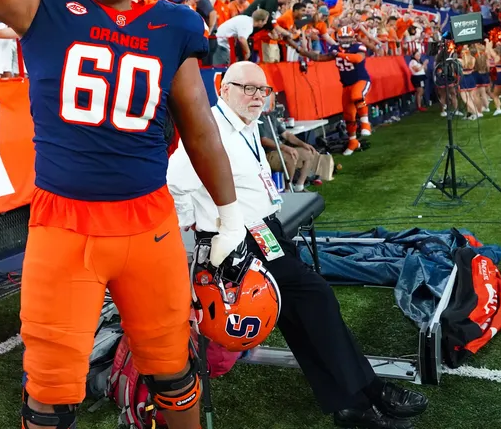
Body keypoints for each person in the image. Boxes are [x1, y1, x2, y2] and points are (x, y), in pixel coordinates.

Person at [0, 0, 240, 429]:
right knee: (51, 389)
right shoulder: (46, 4)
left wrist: (228, 212)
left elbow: (200, 125)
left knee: (174, 369)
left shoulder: (173, 23)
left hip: (148, 222)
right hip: (64, 225)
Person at [167, 61, 428, 429]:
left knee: (301, 318)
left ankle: (350, 404)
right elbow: (175, 183)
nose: (257, 97)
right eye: (247, 88)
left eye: (263, 90)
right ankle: (371, 390)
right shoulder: (209, 127)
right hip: (240, 242)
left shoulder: (243, 122)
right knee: (316, 298)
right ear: (223, 88)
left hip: (265, 231)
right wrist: (193, 234)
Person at [289, 25, 371, 155]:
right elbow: (318, 58)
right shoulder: (335, 48)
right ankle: (353, 141)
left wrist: (339, 54)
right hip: (346, 84)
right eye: (342, 38)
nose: (344, 41)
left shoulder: (358, 47)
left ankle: (365, 123)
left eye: (347, 38)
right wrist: (297, 47)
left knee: (356, 96)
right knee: (348, 115)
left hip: (361, 80)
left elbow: (358, 58)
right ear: (338, 38)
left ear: (353, 38)